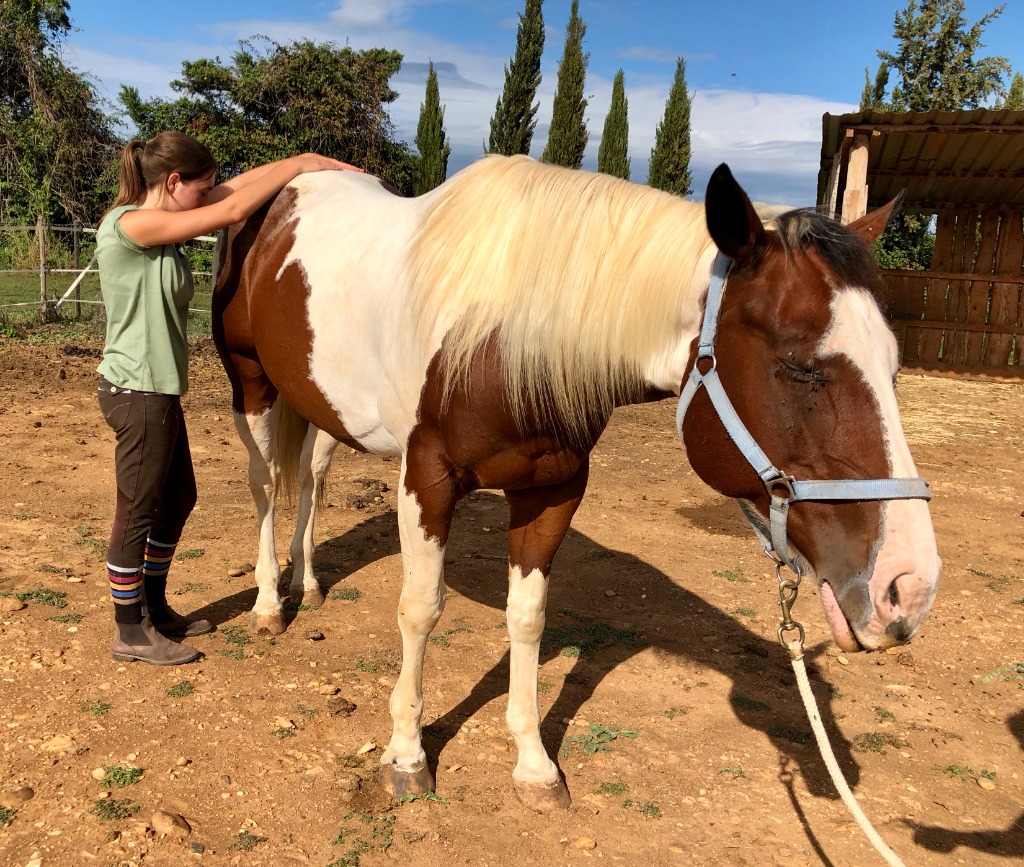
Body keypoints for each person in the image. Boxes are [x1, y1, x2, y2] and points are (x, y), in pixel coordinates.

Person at [96, 131, 361, 665]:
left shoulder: (165, 214)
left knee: (179, 498)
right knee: (138, 509)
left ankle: (153, 606)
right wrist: (308, 160)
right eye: (201, 188)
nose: (209, 195)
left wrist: (305, 162)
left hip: (159, 391)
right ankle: (129, 628)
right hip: (136, 391)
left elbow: (236, 189)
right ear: (172, 183)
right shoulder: (132, 225)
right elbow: (236, 205)